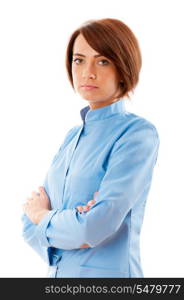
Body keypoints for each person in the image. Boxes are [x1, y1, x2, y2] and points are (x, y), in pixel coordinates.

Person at [22, 18, 160, 278]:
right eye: (79, 60)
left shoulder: (136, 134)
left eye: (103, 60)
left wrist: (46, 216)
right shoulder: (71, 137)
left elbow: (94, 228)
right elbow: (27, 226)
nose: (88, 72)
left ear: (124, 66)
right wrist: (66, 219)